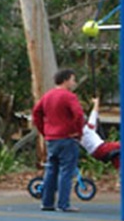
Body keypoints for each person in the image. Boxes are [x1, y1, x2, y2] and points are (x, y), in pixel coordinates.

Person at [32, 69, 86, 213]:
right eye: (73, 80)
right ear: (66, 80)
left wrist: (43, 130)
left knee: (51, 170)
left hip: (52, 138)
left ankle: (47, 202)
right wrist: (78, 131)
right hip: (67, 137)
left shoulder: (47, 96)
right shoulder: (69, 97)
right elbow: (79, 115)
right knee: (66, 171)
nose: (74, 83)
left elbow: (36, 112)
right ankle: (63, 204)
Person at [80, 97, 121, 168]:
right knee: (123, 145)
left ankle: (119, 167)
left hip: (96, 151)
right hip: (100, 148)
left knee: (116, 154)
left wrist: (96, 102)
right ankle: (123, 168)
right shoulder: (85, 129)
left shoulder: (88, 127)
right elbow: (94, 113)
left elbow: (94, 112)